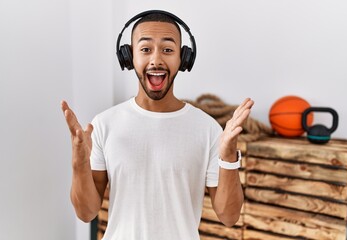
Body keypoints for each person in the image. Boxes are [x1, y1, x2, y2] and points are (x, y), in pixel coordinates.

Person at [61, 10, 254, 240]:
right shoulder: (104, 124)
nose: (156, 59)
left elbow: (229, 216)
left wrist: (229, 155)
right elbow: (86, 212)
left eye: (168, 49)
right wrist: (79, 163)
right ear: (129, 56)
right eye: (145, 49)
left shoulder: (208, 129)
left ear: (183, 58)